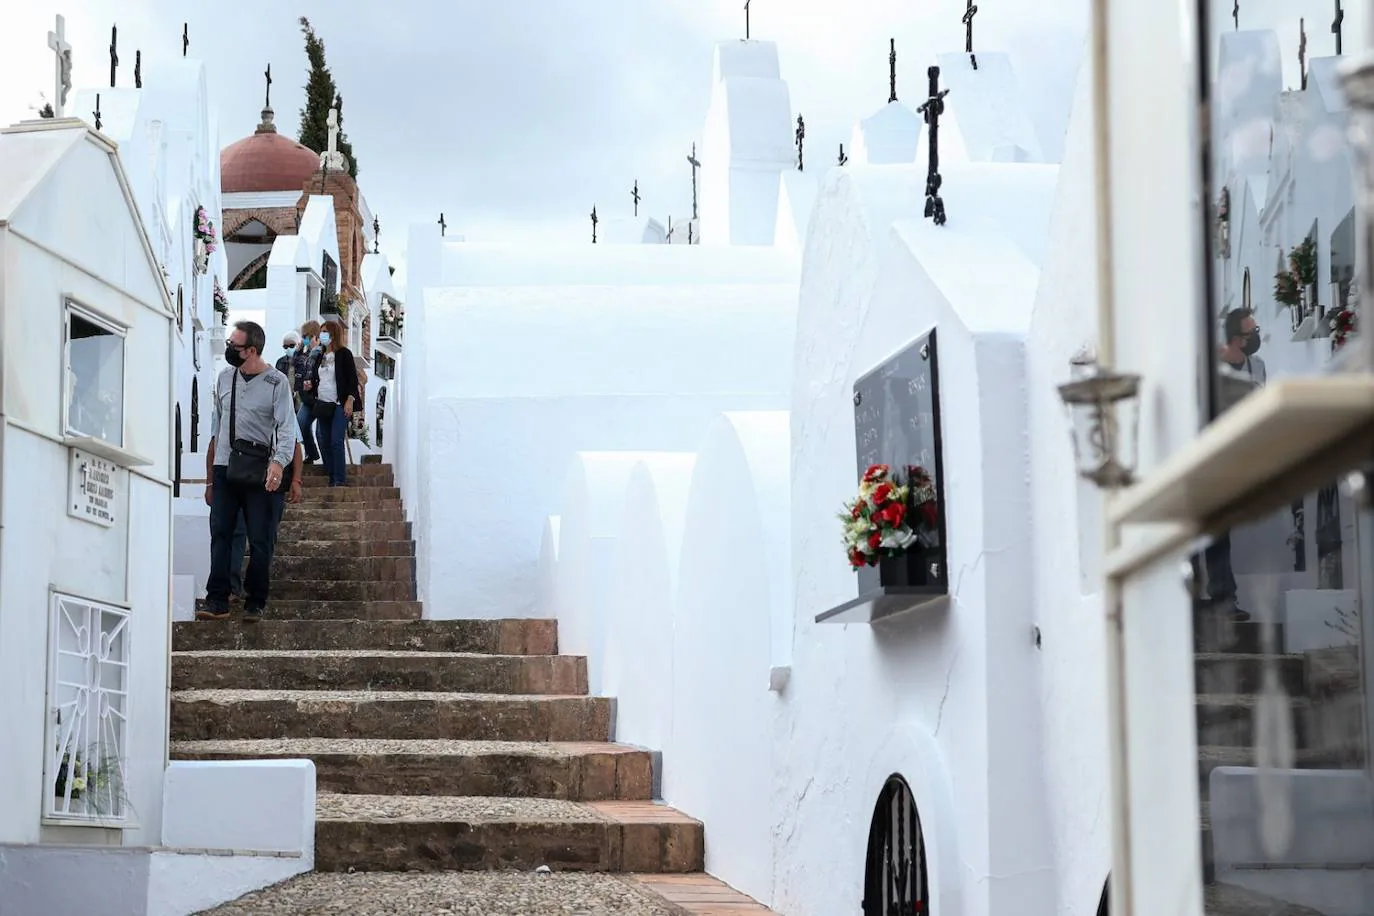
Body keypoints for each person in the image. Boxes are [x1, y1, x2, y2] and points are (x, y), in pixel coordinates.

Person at [199, 321, 302, 622]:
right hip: (225, 467)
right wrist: (209, 478)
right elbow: (217, 429)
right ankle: (217, 599)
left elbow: (286, 429)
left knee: (260, 538)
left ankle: (255, 601)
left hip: (261, 469)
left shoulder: (276, 382)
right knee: (220, 532)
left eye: (235, 346)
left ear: (252, 350)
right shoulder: (224, 378)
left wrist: (281, 464)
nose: (229, 349)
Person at [1202, 307, 1267, 623]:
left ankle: (1221, 597)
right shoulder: (1211, 368)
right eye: (1251, 331)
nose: (1256, 336)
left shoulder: (1258, 366)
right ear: (1236, 336)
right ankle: (1220, 598)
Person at [309, 318, 360, 488]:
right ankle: (331, 476)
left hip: (340, 403)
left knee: (336, 440)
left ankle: (339, 479)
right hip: (323, 404)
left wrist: (349, 401)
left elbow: (353, 380)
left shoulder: (344, 354)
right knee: (323, 440)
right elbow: (319, 378)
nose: (321, 335)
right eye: (321, 332)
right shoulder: (320, 356)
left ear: (333, 334)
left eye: (325, 332)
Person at [294, 321, 323, 464]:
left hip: (319, 397)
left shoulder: (321, 352)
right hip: (307, 399)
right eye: (303, 336)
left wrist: (315, 350)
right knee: (300, 424)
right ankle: (312, 454)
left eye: (306, 336)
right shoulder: (305, 353)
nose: (304, 339)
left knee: (321, 432)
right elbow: (296, 367)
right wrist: (298, 351)